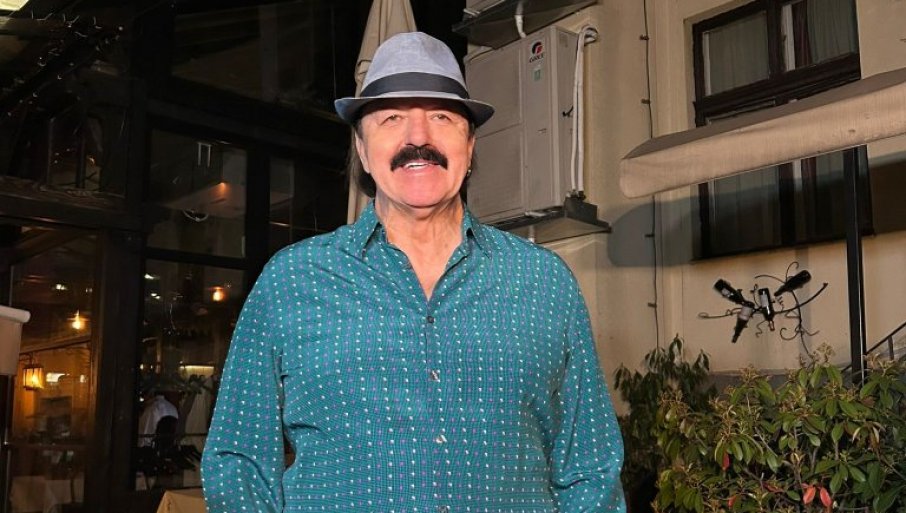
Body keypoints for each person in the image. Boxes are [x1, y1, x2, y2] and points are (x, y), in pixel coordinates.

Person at [201, 32, 626, 513]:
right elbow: (238, 459)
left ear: (470, 145)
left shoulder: (545, 283)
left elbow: (590, 466)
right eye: (392, 118)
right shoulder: (292, 280)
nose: (419, 138)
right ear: (362, 149)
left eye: (442, 117)